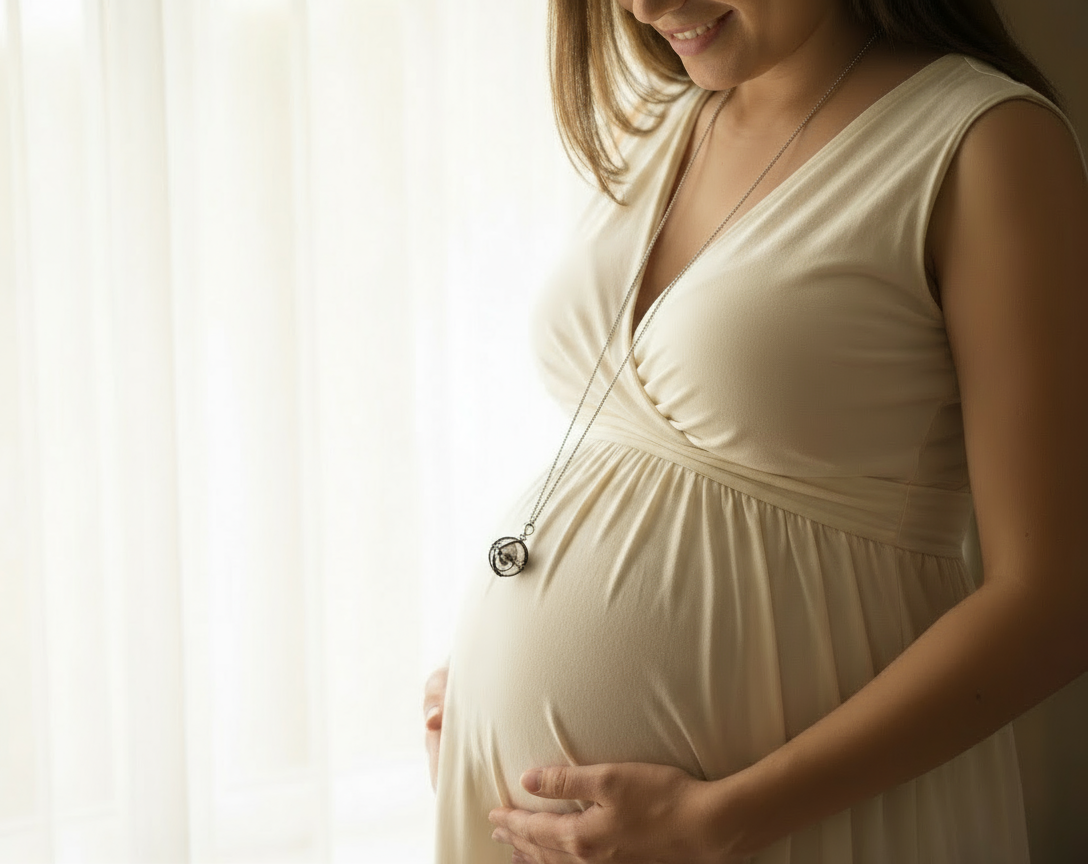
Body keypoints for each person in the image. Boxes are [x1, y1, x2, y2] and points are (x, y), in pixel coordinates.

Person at [424, 0, 1088, 860]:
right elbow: (634, 454)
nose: (647, 6)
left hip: (791, 827)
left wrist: (722, 820)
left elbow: (1056, 600)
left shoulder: (983, 144)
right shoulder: (666, 122)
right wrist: (483, 686)